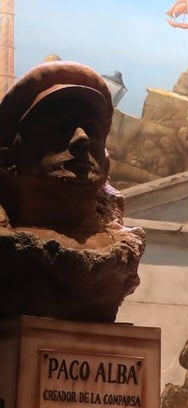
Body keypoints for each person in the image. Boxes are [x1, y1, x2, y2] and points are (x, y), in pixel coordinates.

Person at [0, 59, 143, 322]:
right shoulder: (8, 253)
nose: (81, 139)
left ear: (106, 163)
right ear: (8, 161)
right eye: (60, 127)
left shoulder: (120, 254)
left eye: (93, 130)